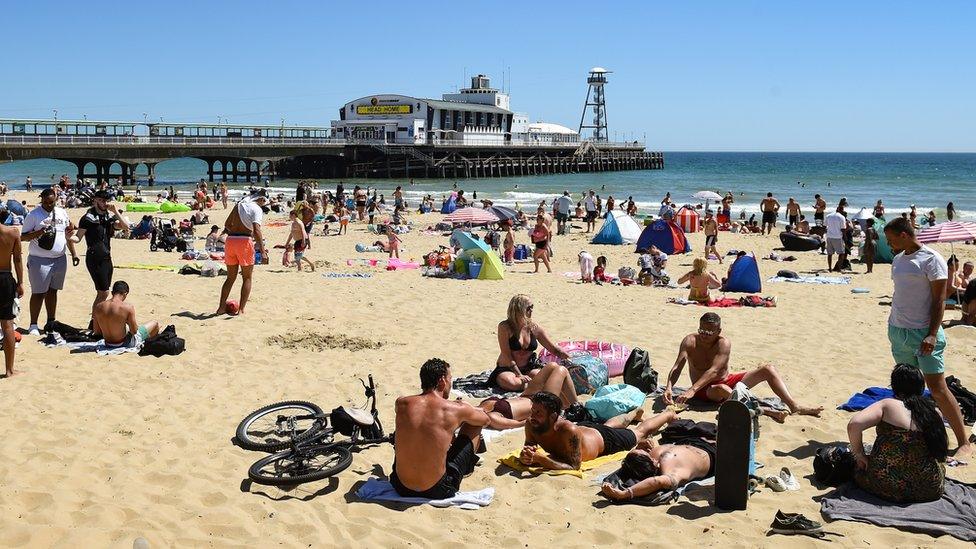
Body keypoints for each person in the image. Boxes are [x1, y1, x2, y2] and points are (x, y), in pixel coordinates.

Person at [884, 217, 972, 460]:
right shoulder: (898, 259)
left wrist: (932, 334)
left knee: (938, 388)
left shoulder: (932, 259)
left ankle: (964, 441)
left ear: (904, 235)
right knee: (907, 390)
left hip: (924, 333)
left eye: (892, 239)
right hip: (898, 331)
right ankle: (913, 435)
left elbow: (939, 300)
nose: (889, 244)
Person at [662, 313, 823, 422]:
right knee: (721, 389)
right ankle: (766, 411)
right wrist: (670, 387)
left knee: (767, 369)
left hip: (723, 380)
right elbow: (678, 366)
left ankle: (794, 406)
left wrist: (691, 389)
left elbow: (715, 370)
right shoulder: (690, 341)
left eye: (709, 332)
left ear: (718, 331)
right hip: (705, 390)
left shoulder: (723, 343)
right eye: (702, 330)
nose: (704, 334)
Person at [390, 358, 489, 499]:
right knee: (473, 425)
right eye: (450, 379)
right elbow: (485, 420)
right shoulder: (455, 409)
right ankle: (466, 466)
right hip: (438, 490)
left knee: (410, 430)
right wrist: (465, 409)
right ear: (442, 381)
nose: (450, 383)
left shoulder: (402, 403)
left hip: (400, 486)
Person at [848, 364, 947, 502]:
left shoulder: (888, 405)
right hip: (929, 489)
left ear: (894, 386)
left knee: (851, 460)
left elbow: (854, 425)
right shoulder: (934, 412)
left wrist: (859, 454)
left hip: (884, 484)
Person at [519, 391, 672, 471]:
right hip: (587, 431)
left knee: (639, 433)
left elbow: (574, 466)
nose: (533, 416)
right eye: (533, 411)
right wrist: (527, 456)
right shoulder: (531, 425)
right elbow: (529, 449)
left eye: (538, 413)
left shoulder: (568, 430)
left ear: (553, 416)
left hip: (604, 440)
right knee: (608, 425)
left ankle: (668, 414)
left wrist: (541, 460)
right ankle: (633, 414)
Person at [599, 410, 714, 501]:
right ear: (652, 461)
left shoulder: (654, 457)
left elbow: (626, 466)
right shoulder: (671, 471)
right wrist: (625, 494)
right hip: (711, 448)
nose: (643, 449)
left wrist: (640, 446)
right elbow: (658, 482)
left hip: (687, 440)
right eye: (642, 451)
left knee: (673, 428)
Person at [20, 188, 80, 335]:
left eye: (51, 202)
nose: (48, 205)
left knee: (53, 291)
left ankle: (50, 321)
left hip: (60, 258)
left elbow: (67, 234)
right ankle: (33, 325)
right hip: (39, 259)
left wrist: (73, 254)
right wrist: (38, 232)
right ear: (42, 200)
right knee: (38, 292)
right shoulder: (33, 215)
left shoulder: (61, 212)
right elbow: (23, 237)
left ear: (56, 200)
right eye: (45, 202)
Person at [68, 189, 128, 319]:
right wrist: (69, 238)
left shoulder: (108, 217)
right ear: (95, 200)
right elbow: (78, 238)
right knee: (103, 292)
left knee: (104, 291)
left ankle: (96, 321)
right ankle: (95, 321)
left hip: (107, 258)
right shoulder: (87, 218)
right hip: (94, 258)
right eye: (101, 200)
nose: (104, 203)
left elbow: (125, 226)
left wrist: (115, 211)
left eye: (106, 200)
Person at [490, 294, 569, 391]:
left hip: (529, 367)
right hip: (508, 368)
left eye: (532, 307)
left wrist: (567, 357)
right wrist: (519, 374)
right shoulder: (505, 327)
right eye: (528, 308)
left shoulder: (534, 328)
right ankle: (533, 386)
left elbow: (553, 348)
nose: (531, 310)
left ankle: (531, 385)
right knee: (512, 383)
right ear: (519, 309)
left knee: (546, 377)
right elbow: (506, 355)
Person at [479, 362, 580, 430]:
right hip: (542, 405)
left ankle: (573, 406)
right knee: (561, 370)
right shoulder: (491, 418)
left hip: (528, 395)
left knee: (552, 365)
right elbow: (521, 423)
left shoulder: (483, 405)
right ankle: (580, 410)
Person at [216, 190, 269, 315]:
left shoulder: (239, 205)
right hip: (244, 241)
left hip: (231, 241)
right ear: (261, 200)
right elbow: (257, 230)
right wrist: (262, 251)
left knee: (230, 278)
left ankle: (221, 308)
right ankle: (241, 310)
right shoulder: (256, 209)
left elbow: (227, 224)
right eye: (264, 202)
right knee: (247, 277)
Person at [91, 280, 160, 348]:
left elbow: (97, 332)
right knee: (155, 324)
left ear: (112, 292)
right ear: (125, 293)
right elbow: (134, 331)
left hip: (108, 343)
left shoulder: (98, 307)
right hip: (125, 343)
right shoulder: (127, 307)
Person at [0, 210, 24, 379]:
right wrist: (21, 282)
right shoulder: (12, 232)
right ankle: (9, 370)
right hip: (4, 277)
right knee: (7, 324)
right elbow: (17, 259)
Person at [825, 207, 848, 272]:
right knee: (841, 253)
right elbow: (843, 229)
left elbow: (825, 226)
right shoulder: (842, 217)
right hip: (838, 237)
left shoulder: (828, 216)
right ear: (841, 210)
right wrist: (845, 237)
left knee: (830, 254)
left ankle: (830, 268)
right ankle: (839, 268)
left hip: (829, 236)